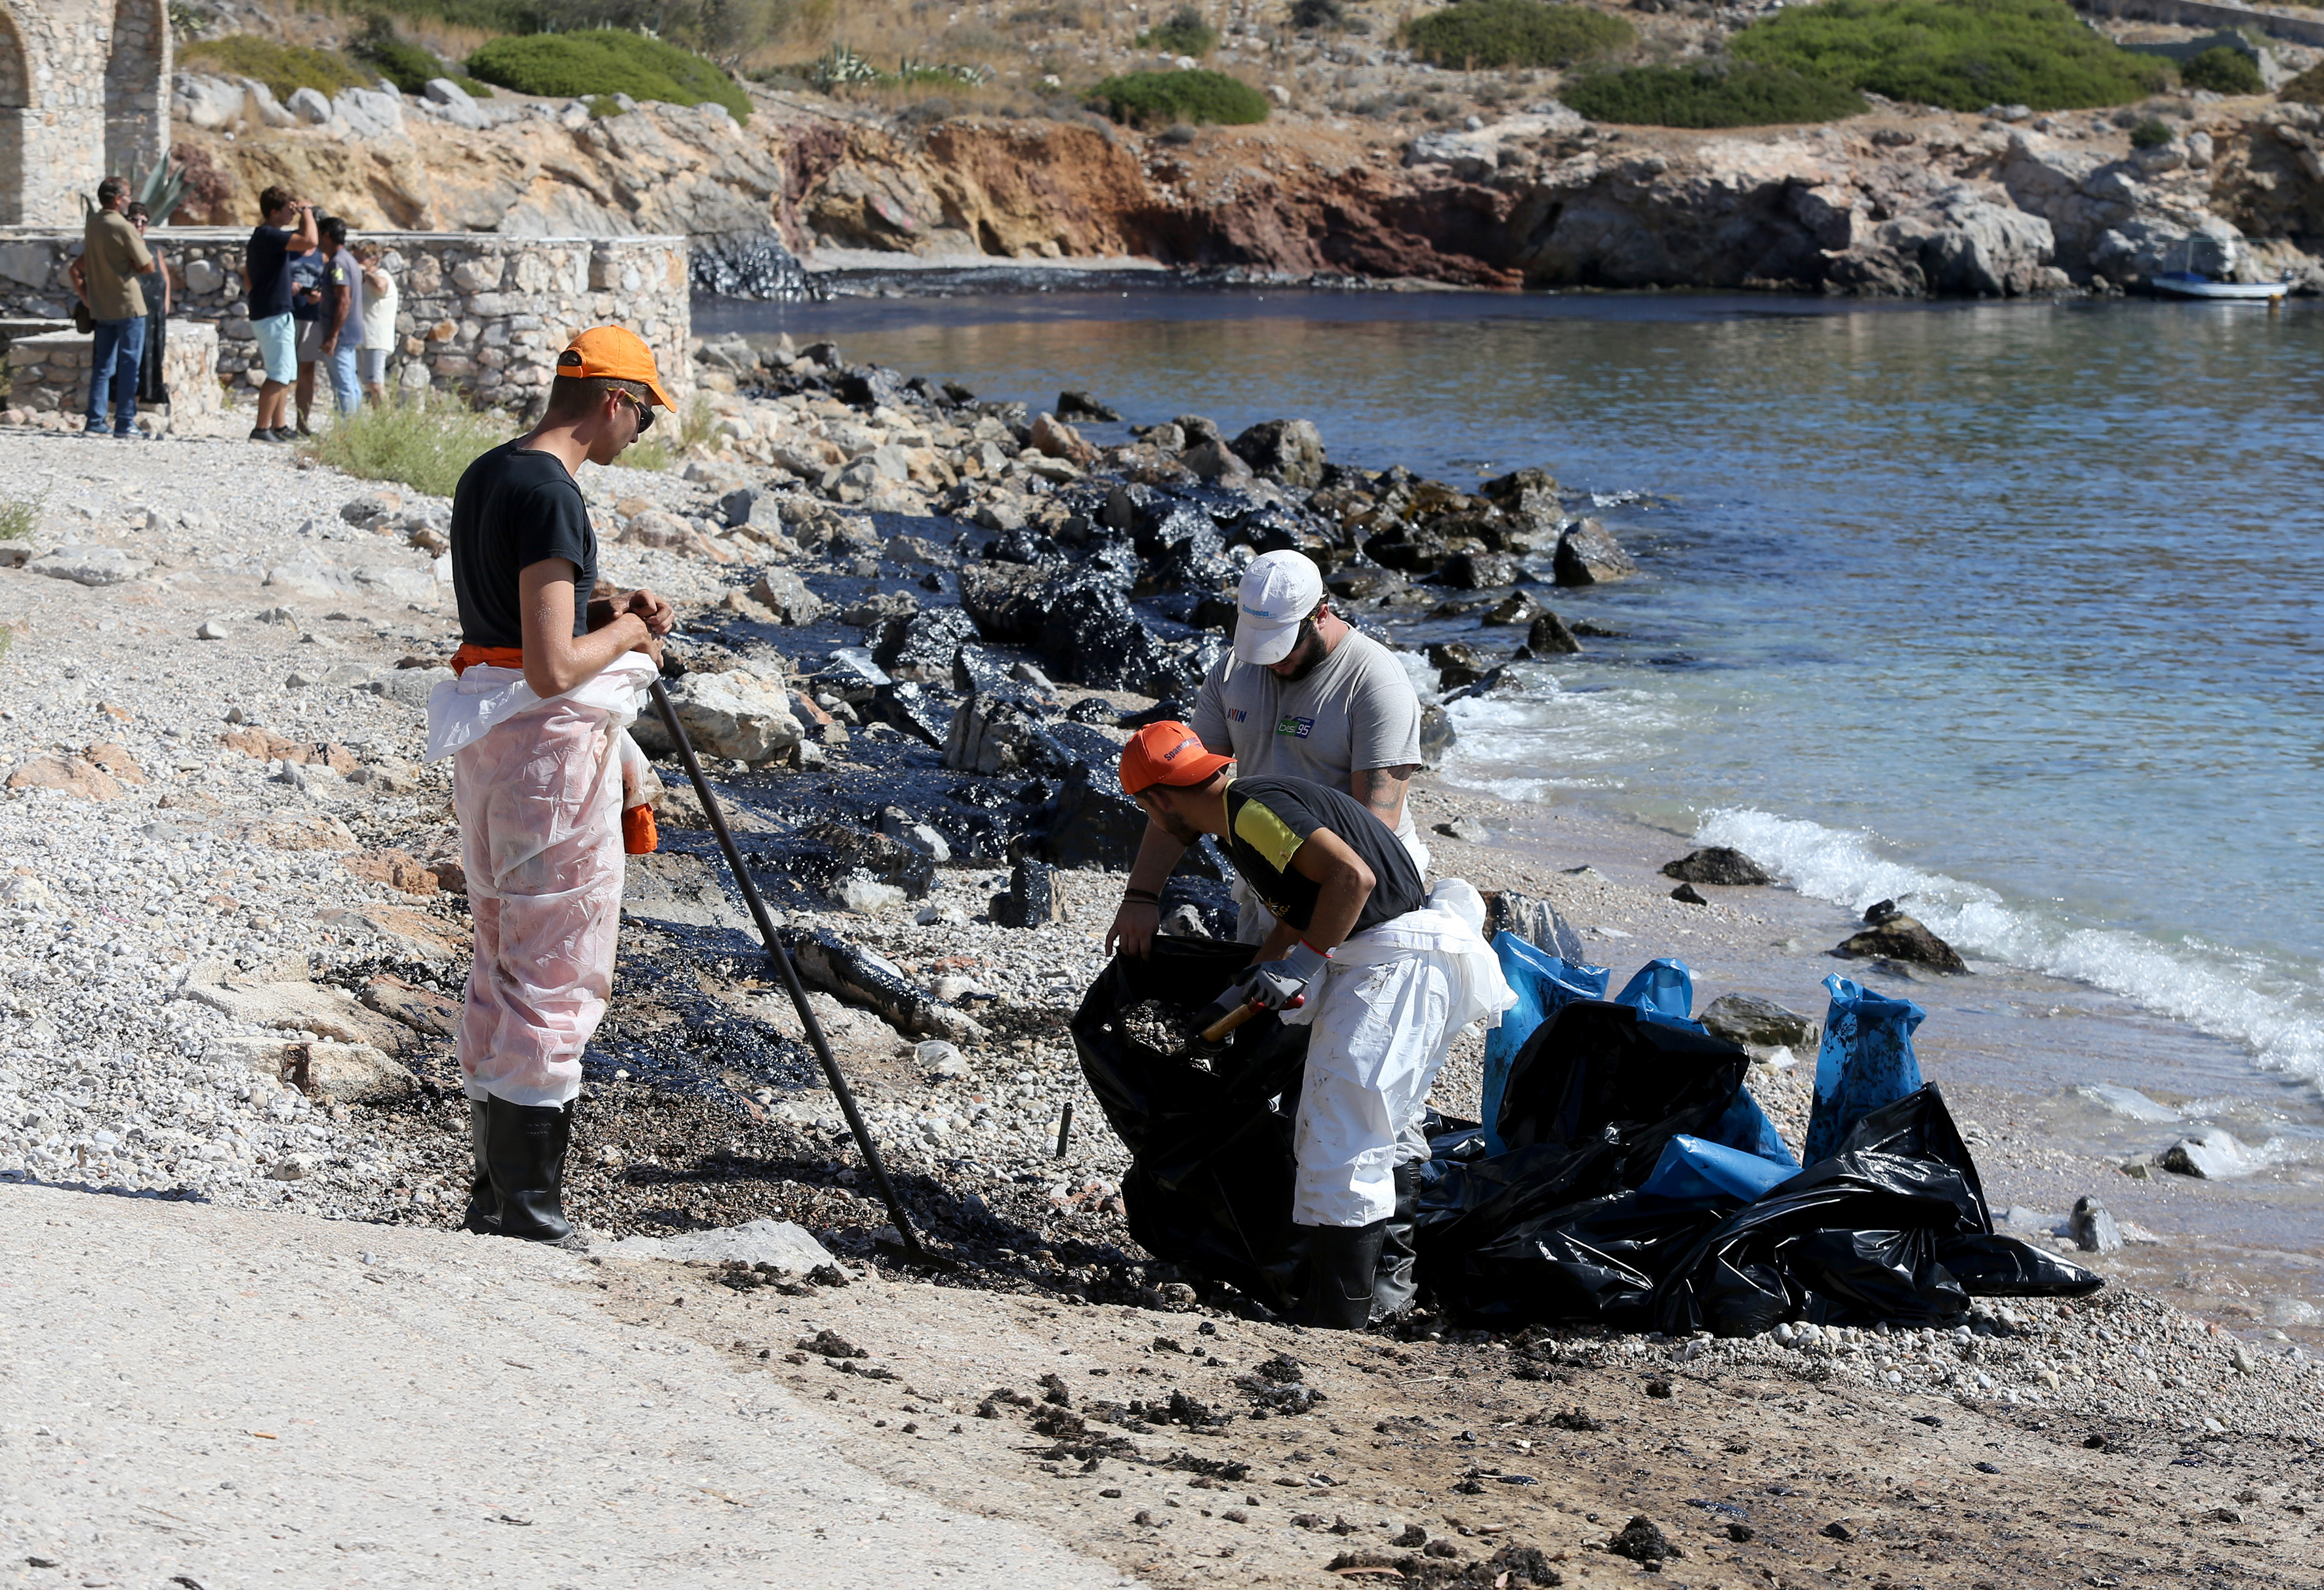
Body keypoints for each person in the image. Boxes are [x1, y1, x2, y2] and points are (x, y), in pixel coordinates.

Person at [1116, 723, 1512, 1327]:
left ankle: (1338, 1316)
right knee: (1356, 1125)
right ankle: (1359, 1300)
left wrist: (1301, 967)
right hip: (1388, 958)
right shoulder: (1241, 815)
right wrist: (1247, 984)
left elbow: (1354, 880)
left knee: (1343, 1129)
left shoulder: (1250, 809)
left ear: (1158, 799)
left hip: (1396, 960)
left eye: (1144, 807)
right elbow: (1302, 911)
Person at [424, 325, 678, 1244]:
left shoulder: (492, 471)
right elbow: (551, 663)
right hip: (545, 755)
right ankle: (528, 1208)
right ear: (613, 401)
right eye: (643, 413)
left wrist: (602, 598)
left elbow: (514, 613)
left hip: (489, 752)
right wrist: (628, 640)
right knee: (558, 961)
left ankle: (493, 1193)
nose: (643, 431)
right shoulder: (552, 494)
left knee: (501, 952)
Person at [1109, 548, 1427, 954]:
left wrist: (1289, 942)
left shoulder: (1376, 686)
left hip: (1364, 892)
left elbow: (1372, 833)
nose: (1271, 663)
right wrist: (1141, 896)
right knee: (1257, 1006)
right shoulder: (1233, 672)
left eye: (1282, 649)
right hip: (1270, 868)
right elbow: (1180, 787)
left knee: (1316, 1008)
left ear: (1322, 614)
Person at [67, 176, 153, 439]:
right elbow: (148, 266)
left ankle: (95, 420)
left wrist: (85, 296)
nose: (128, 201)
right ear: (117, 199)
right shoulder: (124, 227)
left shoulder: (93, 223)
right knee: (129, 365)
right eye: (126, 196)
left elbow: (78, 265)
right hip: (128, 305)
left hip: (102, 306)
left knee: (103, 366)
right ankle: (125, 422)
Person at [243, 186, 318, 443]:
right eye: (289, 209)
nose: (293, 214)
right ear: (274, 212)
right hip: (272, 314)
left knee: (285, 371)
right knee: (277, 373)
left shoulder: (266, 237)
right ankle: (261, 428)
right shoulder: (268, 235)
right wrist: (308, 211)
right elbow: (310, 241)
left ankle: (279, 426)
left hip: (276, 311)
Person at [314, 216, 363, 418]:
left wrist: (332, 336)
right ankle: (355, 432)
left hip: (341, 335)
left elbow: (344, 300)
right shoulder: (349, 260)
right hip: (349, 332)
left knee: (343, 386)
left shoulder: (338, 263)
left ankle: (346, 435)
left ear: (326, 236)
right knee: (351, 383)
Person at [127, 201, 171, 418]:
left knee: (154, 352)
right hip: (135, 309)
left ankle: (150, 395)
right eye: (134, 220)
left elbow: (165, 277)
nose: (139, 225)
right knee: (136, 353)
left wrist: (166, 303)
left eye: (144, 221)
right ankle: (130, 403)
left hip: (156, 312)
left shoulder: (154, 250)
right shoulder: (123, 247)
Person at [288, 220, 331, 435]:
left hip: (311, 317)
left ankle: (302, 424)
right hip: (287, 314)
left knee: (307, 371)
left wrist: (320, 297)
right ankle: (275, 423)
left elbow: (331, 287)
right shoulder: (288, 249)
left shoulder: (322, 256)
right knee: (282, 371)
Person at [352, 242, 399, 405]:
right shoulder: (363, 280)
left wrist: (365, 272)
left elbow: (380, 287)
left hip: (376, 340)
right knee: (368, 386)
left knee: (376, 385)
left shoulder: (382, 275)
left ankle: (385, 424)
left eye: (362, 257)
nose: (358, 260)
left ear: (374, 259)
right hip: (363, 340)